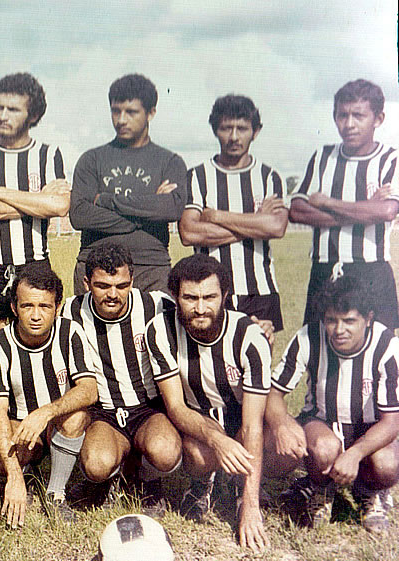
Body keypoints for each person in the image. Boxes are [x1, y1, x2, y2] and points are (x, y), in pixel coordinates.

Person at [145, 254, 272, 553]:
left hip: (242, 418)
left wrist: (251, 506)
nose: (200, 308)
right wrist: (217, 440)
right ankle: (203, 484)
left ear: (224, 296)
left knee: (277, 447)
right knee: (198, 455)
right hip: (200, 416)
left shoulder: (250, 337)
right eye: (190, 298)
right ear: (175, 296)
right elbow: (176, 407)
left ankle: (243, 489)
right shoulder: (161, 330)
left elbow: (253, 425)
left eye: (209, 297)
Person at [273, 275, 399, 533]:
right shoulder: (309, 337)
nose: (339, 330)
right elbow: (273, 393)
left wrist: (355, 453)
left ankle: (370, 491)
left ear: (368, 318)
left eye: (349, 321)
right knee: (323, 448)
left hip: (370, 428)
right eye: (332, 320)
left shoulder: (387, 345)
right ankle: (320, 489)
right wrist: (282, 424)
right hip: (322, 422)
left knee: (387, 464)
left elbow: (392, 422)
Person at [61, 244, 181, 509]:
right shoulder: (70, 311)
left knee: (166, 452)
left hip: (148, 409)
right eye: (103, 286)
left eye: (121, 285)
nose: (113, 295)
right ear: (86, 283)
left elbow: (197, 321)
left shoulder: (156, 305)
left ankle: (146, 477)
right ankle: (108, 478)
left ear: (132, 281)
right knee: (97, 465)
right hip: (103, 412)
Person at [0, 72, 70, 336]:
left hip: (34, 264)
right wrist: (37, 199)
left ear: (33, 115)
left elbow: (59, 207)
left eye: (13, 109)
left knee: (34, 342)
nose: (3, 116)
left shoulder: (48, 155)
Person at [0, 267, 99, 527]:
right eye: (27, 306)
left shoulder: (70, 332)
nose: (36, 316)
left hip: (55, 421)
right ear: (14, 308)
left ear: (57, 307)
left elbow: (89, 389)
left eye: (45, 306)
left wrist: (45, 412)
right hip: (20, 425)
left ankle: (55, 494)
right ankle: (18, 475)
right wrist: (13, 475)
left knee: (77, 417)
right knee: (4, 458)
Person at [289, 78, 399, 329]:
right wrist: (366, 208)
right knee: (320, 344)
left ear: (378, 119)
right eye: (342, 115)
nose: (349, 124)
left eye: (358, 116)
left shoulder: (391, 159)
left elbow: (387, 210)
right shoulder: (323, 157)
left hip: (372, 271)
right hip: (325, 269)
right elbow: (296, 211)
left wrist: (326, 202)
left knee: (377, 347)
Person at [179, 94, 288, 336]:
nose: (235, 137)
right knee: (210, 357)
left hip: (260, 291)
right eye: (227, 128)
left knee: (258, 356)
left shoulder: (269, 177)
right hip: (209, 291)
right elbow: (188, 233)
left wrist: (216, 216)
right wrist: (256, 223)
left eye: (242, 128)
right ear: (215, 130)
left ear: (256, 131)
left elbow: (276, 227)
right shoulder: (197, 176)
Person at [70, 73, 187, 296]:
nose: (121, 120)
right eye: (116, 111)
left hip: (151, 269)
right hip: (96, 270)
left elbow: (171, 208)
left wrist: (105, 200)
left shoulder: (169, 162)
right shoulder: (91, 159)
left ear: (151, 112)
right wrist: (145, 213)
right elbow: (79, 215)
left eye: (131, 112)